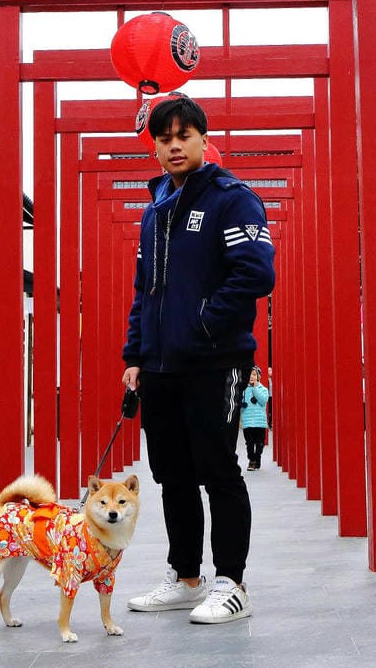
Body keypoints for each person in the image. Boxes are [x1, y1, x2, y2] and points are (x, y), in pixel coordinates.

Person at [120, 94, 275, 625]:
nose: (173, 146)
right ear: (155, 148)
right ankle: (187, 578)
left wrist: (203, 322)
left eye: (184, 136)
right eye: (163, 139)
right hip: (160, 367)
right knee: (172, 475)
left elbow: (255, 274)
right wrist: (136, 353)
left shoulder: (232, 199)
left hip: (216, 359)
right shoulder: (154, 210)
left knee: (216, 468)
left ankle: (232, 583)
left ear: (204, 140)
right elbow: (145, 290)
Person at [240, 367, 270, 470]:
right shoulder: (243, 390)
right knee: (249, 443)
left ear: (259, 377)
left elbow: (263, 400)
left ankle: (257, 458)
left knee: (260, 443)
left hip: (260, 422)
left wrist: (255, 388)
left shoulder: (263, 389)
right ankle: (252, 461)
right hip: (247, 422)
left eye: (254, 374)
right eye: (249, 374)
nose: (251, 377)